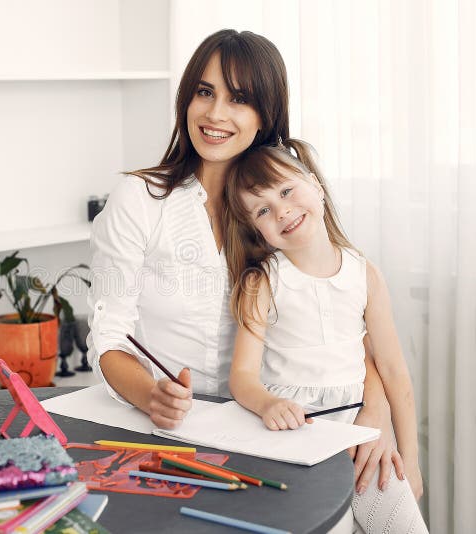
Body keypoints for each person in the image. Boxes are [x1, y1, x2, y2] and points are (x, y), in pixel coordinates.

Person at [87, 28, 401, 498]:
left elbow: (344, 313)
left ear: (265, 114)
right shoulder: (140, 200)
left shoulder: (281, 204)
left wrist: (376, 410)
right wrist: (152, 396)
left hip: (279, 425)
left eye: (238, 99)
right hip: (172, 435)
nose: (215, 114)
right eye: (204, 92)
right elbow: (110, 334)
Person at [224, 139, 427, 533]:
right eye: (263, 209)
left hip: (360, 432)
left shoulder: (364, 274)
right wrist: (267, 404)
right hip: (296, 433)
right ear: (257, 230)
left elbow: (394, 372)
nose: (282, 210)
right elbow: (242, 377)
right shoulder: (262, 283)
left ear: (316, 186)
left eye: (286, 191)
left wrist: (412, 463)